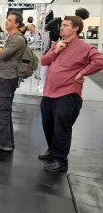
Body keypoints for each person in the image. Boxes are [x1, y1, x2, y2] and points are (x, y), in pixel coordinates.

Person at [39, 16, 103, 172]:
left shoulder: (84, 47)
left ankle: (61, 161)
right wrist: (56, 50)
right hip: (49, 92)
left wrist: (82, 73)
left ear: (76, 28)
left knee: (62, 128)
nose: (61, 28)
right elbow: (43, 61)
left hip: (68, 94)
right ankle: (52, 150)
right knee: (48, 125)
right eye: (62, 25)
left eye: (66, 25)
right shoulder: (57, 44)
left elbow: (100, 60)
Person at [0, 11, 26, 152]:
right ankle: (6, 139)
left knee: (0, 111)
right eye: (6, 19)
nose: (6, 22)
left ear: (17, 24)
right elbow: (2, 51)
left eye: (9, 20)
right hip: (4, 77)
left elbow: (1, 55)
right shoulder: (12, 37)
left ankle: (5, 143)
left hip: (7, 79)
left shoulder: (17, 39)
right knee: (4, 110)